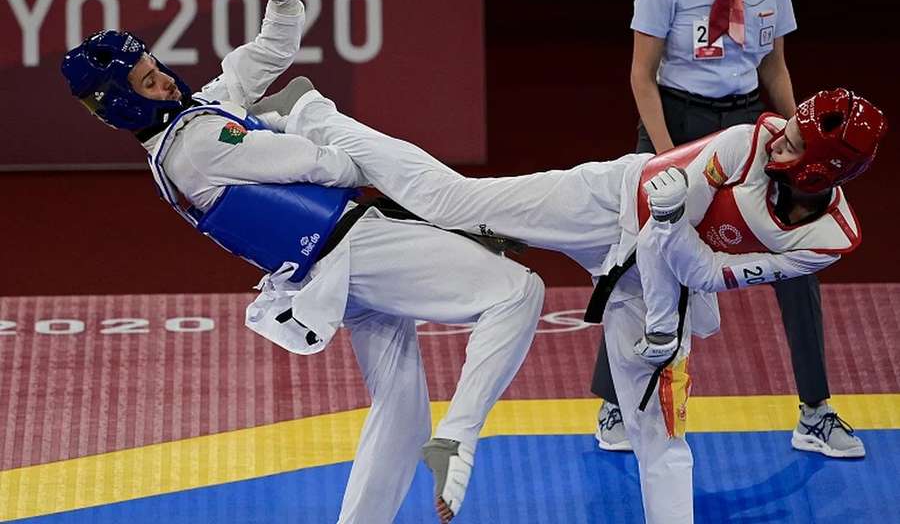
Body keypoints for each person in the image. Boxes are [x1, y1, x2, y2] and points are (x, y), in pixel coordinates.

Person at [60, 0, 544, 524]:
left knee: (401, 412)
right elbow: (323, 165)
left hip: (328, 274)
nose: (164, 79)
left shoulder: (196, 117)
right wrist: (308, 122)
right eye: (147, 82)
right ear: (123, 105)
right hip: (355, 247)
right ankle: (461, 436)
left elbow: (272, 47)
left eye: (155, 66)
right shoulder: (196, 146)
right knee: (519, 292)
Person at [268, 81, 887, 523]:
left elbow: (713, 271)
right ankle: (315, 113)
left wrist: (664, 327)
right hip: (613, 206)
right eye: (792, 125)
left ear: (824, 169)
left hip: (658, 278)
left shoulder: (830, 240)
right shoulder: (741, 146)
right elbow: (657, 239)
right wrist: (667, 300)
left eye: (798, 141)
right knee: (454, 201)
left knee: (659, 434)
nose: (782, 134)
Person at [591, 0, 857, 460]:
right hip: (677, 120)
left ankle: (814, 410)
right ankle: (617, 399)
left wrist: (797, 137)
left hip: (747, 124)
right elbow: (641, 78)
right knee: (644, 258)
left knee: (797, 256)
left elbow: (774, 66)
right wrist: (669, 161)